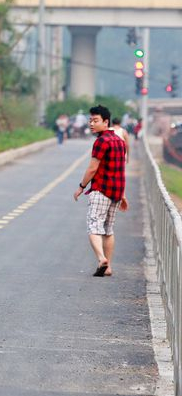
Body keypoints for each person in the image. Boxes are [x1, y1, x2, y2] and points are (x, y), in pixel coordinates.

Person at [73, 105, 128, 277]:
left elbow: (92, 168)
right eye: (90, 120)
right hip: (116, 192)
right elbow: (120, 170)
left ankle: (101, 258)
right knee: (108, 229)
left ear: (106, 122)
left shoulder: (101, 141)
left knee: (94, 227)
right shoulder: (120, 142)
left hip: (101, 190)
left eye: (95, 121)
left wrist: (81, 187)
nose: (91, 124)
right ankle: (108, 266)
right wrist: (123, 195)